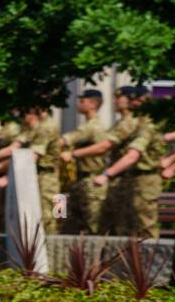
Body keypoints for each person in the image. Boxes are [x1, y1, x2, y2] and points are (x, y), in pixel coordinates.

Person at [96, 86, 165, 238]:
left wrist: (106, 174)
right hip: (131, 178)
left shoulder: (146, 124)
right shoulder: (139, 122)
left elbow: (132, 155)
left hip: (144, 179)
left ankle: (149, 261)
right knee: (125, 227)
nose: (131, 104)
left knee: (144, 226)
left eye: (135, 100)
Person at [59, 89, 114, 234]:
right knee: (67, 223)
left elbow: (65, 140)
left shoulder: (92, 127)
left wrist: (71, 153)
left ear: (92, 104)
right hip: (77, 180)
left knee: (94, 225)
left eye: (82, 101)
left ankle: (95, 256)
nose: (79, 104)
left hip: (91, 181)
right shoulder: (88, 125)